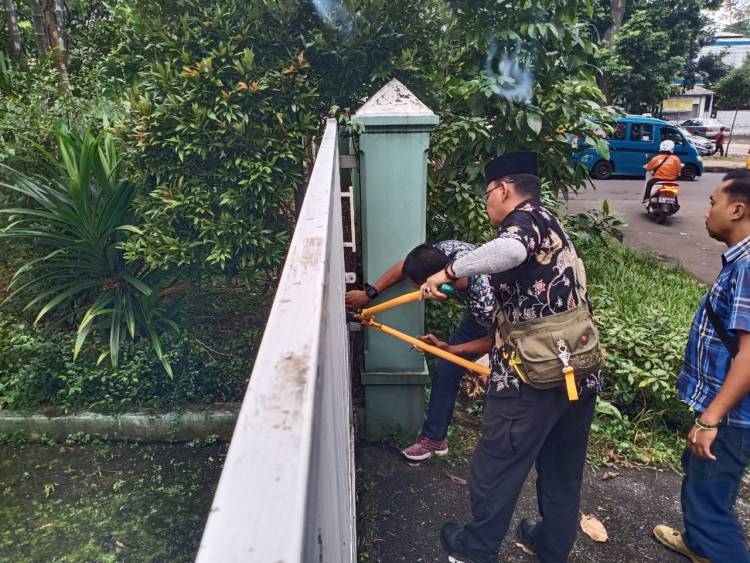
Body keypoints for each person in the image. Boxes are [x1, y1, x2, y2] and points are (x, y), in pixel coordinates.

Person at [420, 151, 603, 563]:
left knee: (496, 465)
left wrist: (447, 272)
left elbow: (510, 253)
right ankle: (551, 544)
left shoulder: (522, 223)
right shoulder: (549, 221)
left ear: (503, 189)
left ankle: (475, 549)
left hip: (530, 375)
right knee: (561, 467)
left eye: (487, 194)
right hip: (579, 366)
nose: (487, 204)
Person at [653, 169, 750, 563]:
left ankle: (712, 546)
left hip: (731, 415)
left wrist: (711, 419)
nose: (707, 212)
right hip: (726, 408)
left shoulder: (747, 268)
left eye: (713, 203)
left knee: (710, 503)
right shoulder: (739, 261)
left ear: (738, 208)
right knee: (705, 483)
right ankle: (697, 545)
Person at [346, 241, 494, 462]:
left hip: (510, 326)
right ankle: (435, 439)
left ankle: (497, 445)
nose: (418, 291)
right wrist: (371, 292)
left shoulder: (486, 299)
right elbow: (406, 266)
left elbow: (498, 339)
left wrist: (451, 349)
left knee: (504, 382)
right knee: (446, 369)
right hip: (484, 317)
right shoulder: (445, 253)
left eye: (419, 287)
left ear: (437, 284)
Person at [642, 140, 682, 204]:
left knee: (649, 183)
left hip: (658, 180)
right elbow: (678, 171)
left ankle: (646, 199)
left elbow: (649, 168)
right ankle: (676, 202)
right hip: (671, 180)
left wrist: (645, 167)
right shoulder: (676, 159)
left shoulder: (656, 158)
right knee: (674, 190)